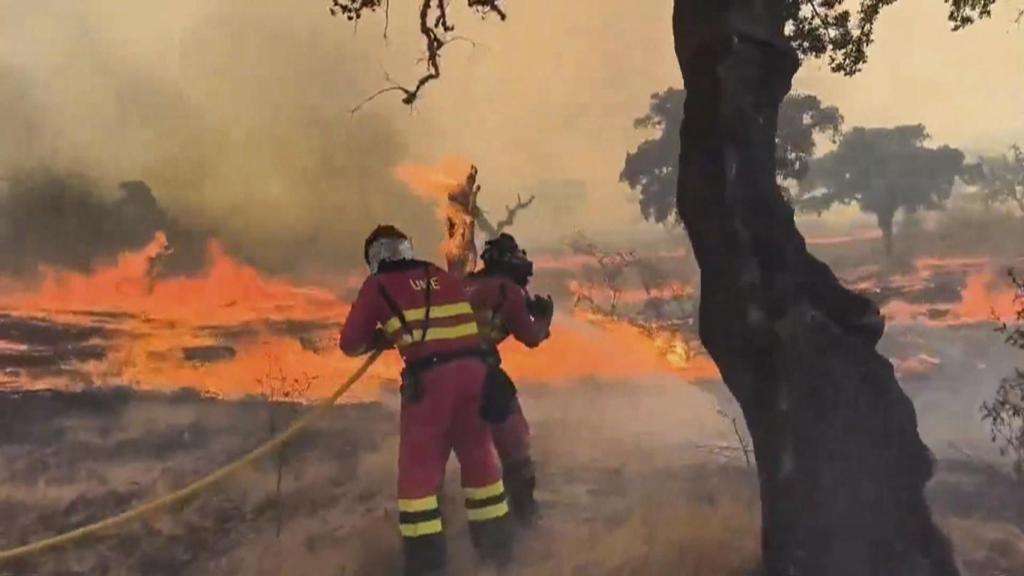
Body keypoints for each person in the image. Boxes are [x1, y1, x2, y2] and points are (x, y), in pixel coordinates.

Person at [340, 225, 513, 576]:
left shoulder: (377, 286)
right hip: (477, 374)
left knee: (418, 478)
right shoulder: (439, 275)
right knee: (480, 461)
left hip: (433, 382)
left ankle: (427, 565)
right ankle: (498, 557)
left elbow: (350, 344)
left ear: (374, 258)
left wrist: (383, 337)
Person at [464, 233, 554, 527]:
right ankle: (524, 514)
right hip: (482, 373)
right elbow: (530, 337)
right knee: (517, 444)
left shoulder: (466, 284)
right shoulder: (508, 291)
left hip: (440, 375)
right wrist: (542, 320)